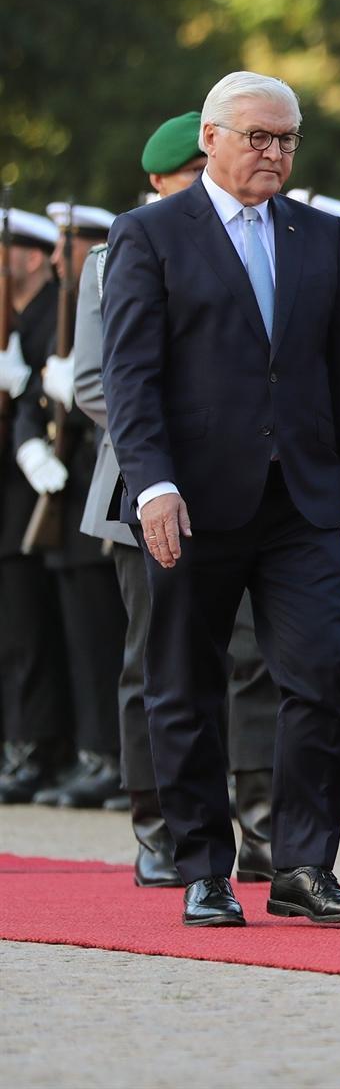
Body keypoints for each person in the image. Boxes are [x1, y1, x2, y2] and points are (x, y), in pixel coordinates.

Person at [102, 70, 340, 928]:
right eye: (258, 137)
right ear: (211, 140)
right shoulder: (149, 234)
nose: (274, 153)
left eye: (287, 138)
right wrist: (151, 483)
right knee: (184, 684)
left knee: (323, 673)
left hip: (302, 500)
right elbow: (131, 377)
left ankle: (303, 865)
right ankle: (203, 869)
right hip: (191, 499)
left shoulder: (317, 234)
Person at [19, 204, 126, 811]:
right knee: (83, 639)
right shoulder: (51, 312)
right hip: (66, 494)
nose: (64, 259)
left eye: (72, 244)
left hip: (105, 479)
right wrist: (31, 439)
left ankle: (108, 754)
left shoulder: (62, 310)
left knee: (107, 637)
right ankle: (92, 753)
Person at [0, 206, 71, 804]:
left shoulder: (54, 314)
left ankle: (37, 744)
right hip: (16, 485)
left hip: (39, 497)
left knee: (32, 630)